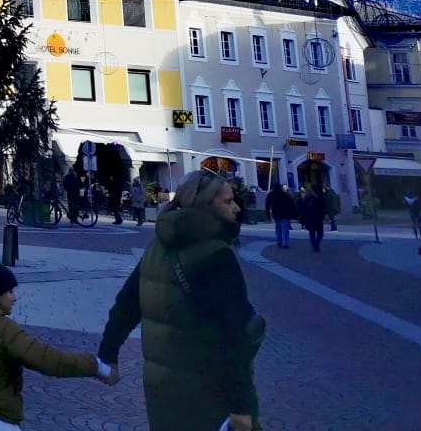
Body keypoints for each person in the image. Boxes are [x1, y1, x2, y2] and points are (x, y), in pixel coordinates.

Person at [99, 169, 266, 431]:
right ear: (205, 205)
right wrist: (242, 405)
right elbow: (231, 338)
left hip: (161, 390)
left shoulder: (156, 247)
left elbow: (126, 306)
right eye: (227, 201)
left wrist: (108, 353)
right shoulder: (216, 256)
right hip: (207, 392)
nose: (236, 208)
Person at [0, 252, 116, 428]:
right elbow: (49, 360)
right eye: (9, 291)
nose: (14, 297)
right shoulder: (4, 329)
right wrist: (96, 366)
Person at [265, 181, 297, 249]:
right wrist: (294, 213)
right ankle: (285, 243)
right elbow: (291, 204)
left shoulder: (271, 195)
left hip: (276, 214)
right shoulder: (284, 195)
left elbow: (267, 205)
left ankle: (279, 241)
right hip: (285, 214)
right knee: (285, 229)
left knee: (278, 228)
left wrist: (268, 214)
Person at [298, 182, 328, 254]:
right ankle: (316, 245)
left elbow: (303, 207)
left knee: (312, 233)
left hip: (310, 218)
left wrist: (304, 218)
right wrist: (323, 216)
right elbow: (323, 208)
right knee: (320, 233)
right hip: (317, 218)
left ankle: (315, 246)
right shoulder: (319, 197)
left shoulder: (308, 197)